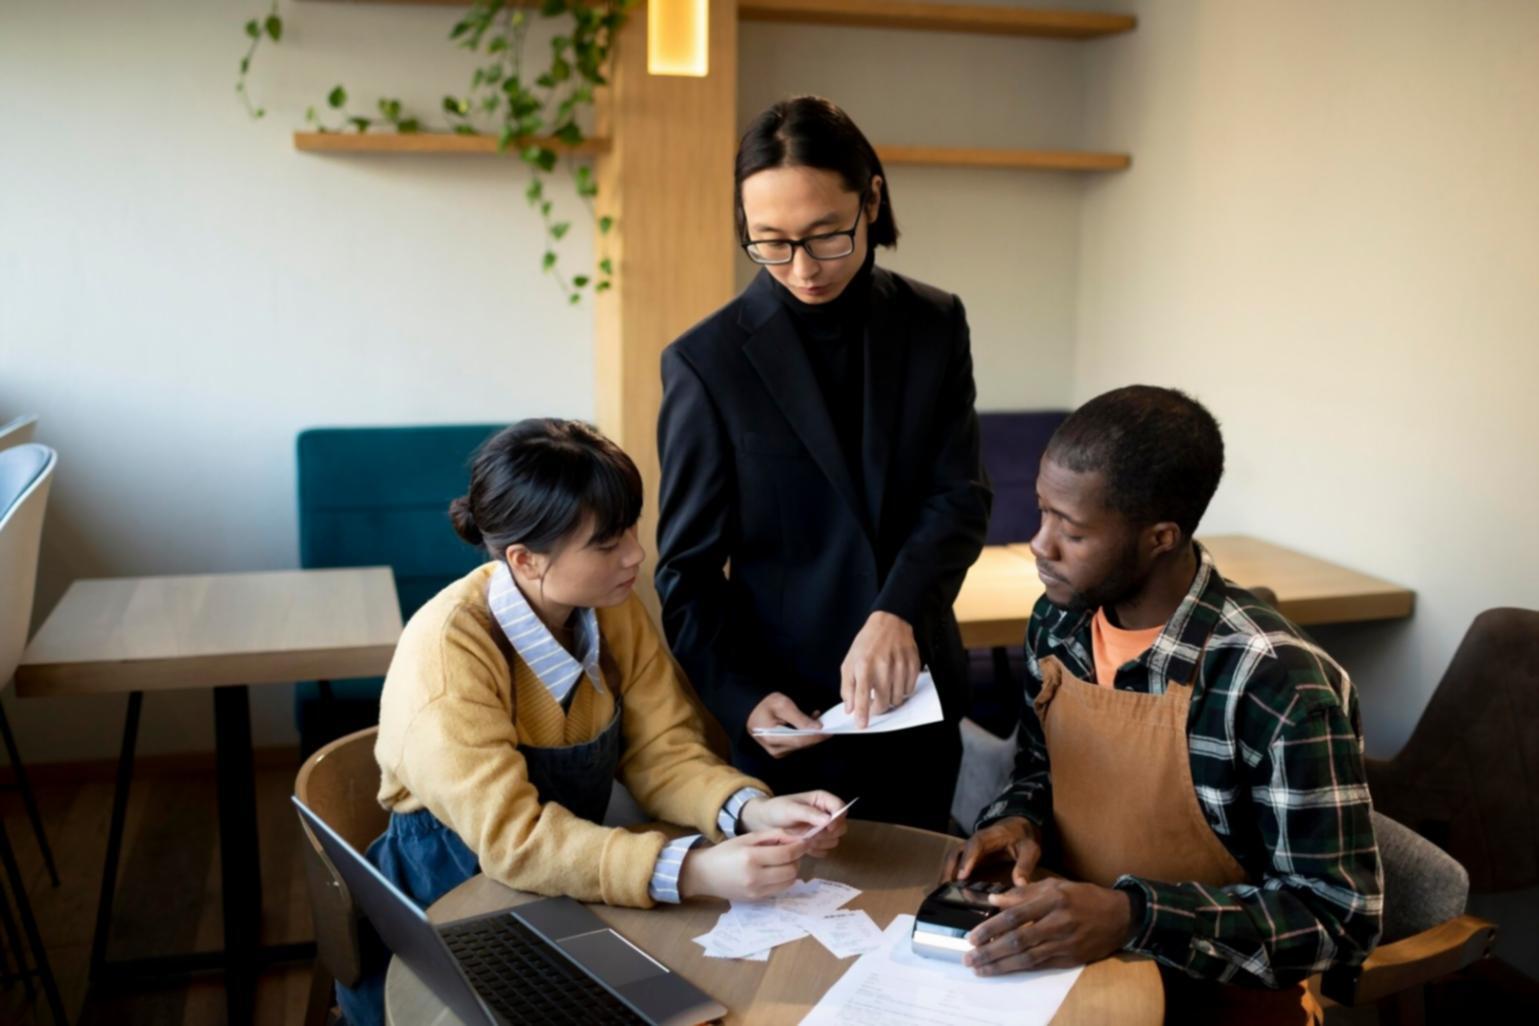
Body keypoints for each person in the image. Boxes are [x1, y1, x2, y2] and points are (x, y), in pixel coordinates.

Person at [338, 419, 848, 1026]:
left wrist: (748, 810)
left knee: (704, 1001)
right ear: (525, 560)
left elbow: (663, 751)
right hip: (449, 909)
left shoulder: (613, 610)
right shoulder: (450, 653)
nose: (635, 553)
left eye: (630, 526)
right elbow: (516, 841)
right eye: (607, 544)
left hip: (569, 883)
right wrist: (692, 869)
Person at [946, 386, 1380, 1025]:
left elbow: (1339, 921)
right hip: (1071, 964)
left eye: (1072, 529)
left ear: (1160, 538)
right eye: (1042, 512)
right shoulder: (1057, 624)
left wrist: (1132, 916)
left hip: (1215, 997)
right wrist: (1019, 821)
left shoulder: (1279, 686)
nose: (1041, 544)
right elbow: (1042, 771)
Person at [656, 96, 991, 832]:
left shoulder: (935, 324)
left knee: (912, 910)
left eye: (824, 237)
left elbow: (958, 496)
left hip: (919, 702)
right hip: (791, 721)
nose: (802, 269)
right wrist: (740, 698)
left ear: (871, 198)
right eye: (770, 243)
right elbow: (684, 571)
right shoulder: (705, 364)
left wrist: (897, 609)